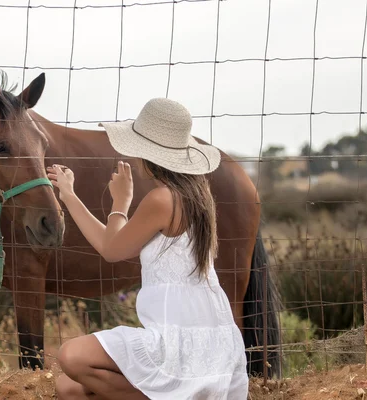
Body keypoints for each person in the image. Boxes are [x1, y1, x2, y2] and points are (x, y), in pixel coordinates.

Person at [47, 98, 249, 400]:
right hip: (209, 342)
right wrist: (69, 195)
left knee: (71, 356)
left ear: (148, 152)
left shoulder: (162, 199)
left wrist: (120, 202)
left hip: (179, 345)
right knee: (69, 389)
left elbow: (112, 251)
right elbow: (113, 243)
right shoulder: (195, 194)